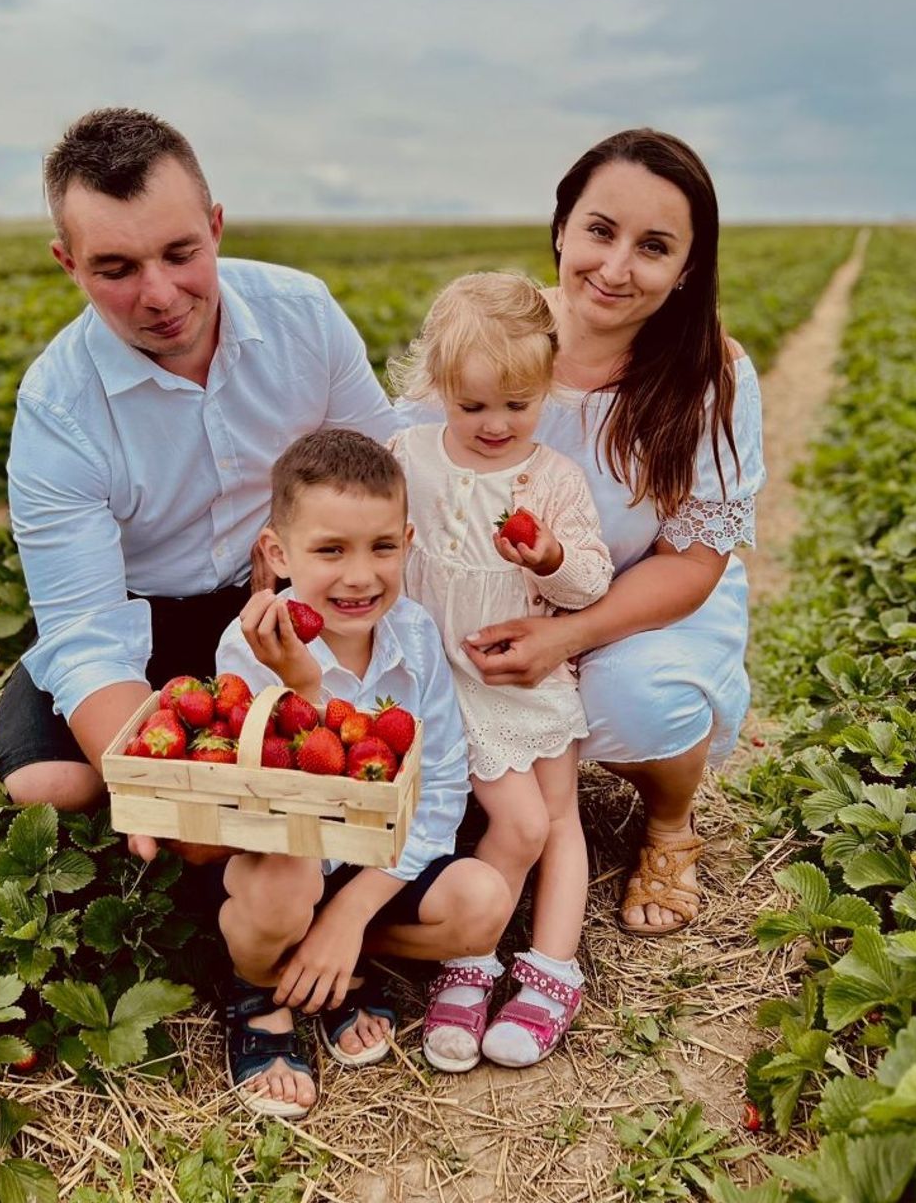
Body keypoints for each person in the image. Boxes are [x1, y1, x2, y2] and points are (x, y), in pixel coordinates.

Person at [0, 106, 395, 856]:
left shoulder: (302, 316)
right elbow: (87, 632)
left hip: (281, 595)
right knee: (52, 786)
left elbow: (386, 470)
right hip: (139, 611)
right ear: (68, 263)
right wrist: (157, 783)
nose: (160, 294)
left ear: (215, 225)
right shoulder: (57, 405)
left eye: (180, 252)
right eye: (116, 269)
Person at [459, 128, 765, 937]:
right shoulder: (494, 339)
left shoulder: (712, 375)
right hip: (500, 593)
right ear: (562, 227)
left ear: (688, 267)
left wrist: (573, 636)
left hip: (644, 604)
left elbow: (695, 561)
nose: (616, 267)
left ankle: (668, 822)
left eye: (654, 246)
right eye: (600, 231)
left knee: (636, 700)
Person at [212, 429, 512, 1117]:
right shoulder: (250, 643)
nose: (359, 576)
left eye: (381, 547)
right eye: (329, 550)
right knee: (286, 884)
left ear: (408, 541)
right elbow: (267, 800)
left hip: (370, 861)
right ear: (278, 554)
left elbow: (438, 792)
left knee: (483, 902)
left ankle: (328, 957)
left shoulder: (414, 636)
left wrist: (348, 911)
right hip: (281, 858)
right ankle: (257, 983)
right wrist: (306, 687)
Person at [387, 272, 613, 1069]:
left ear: (545, 386)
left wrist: (549, 556)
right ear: (439, 386)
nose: (495, 425)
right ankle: (472, 956)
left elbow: (590, 581)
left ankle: (552, 969)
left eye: (517, 405)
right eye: (472, 405)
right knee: (510, 822)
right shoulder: (407, 458)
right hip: (441, 679)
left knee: (557, 818)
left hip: (523, 675)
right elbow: (383, 553)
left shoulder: (550, 480)